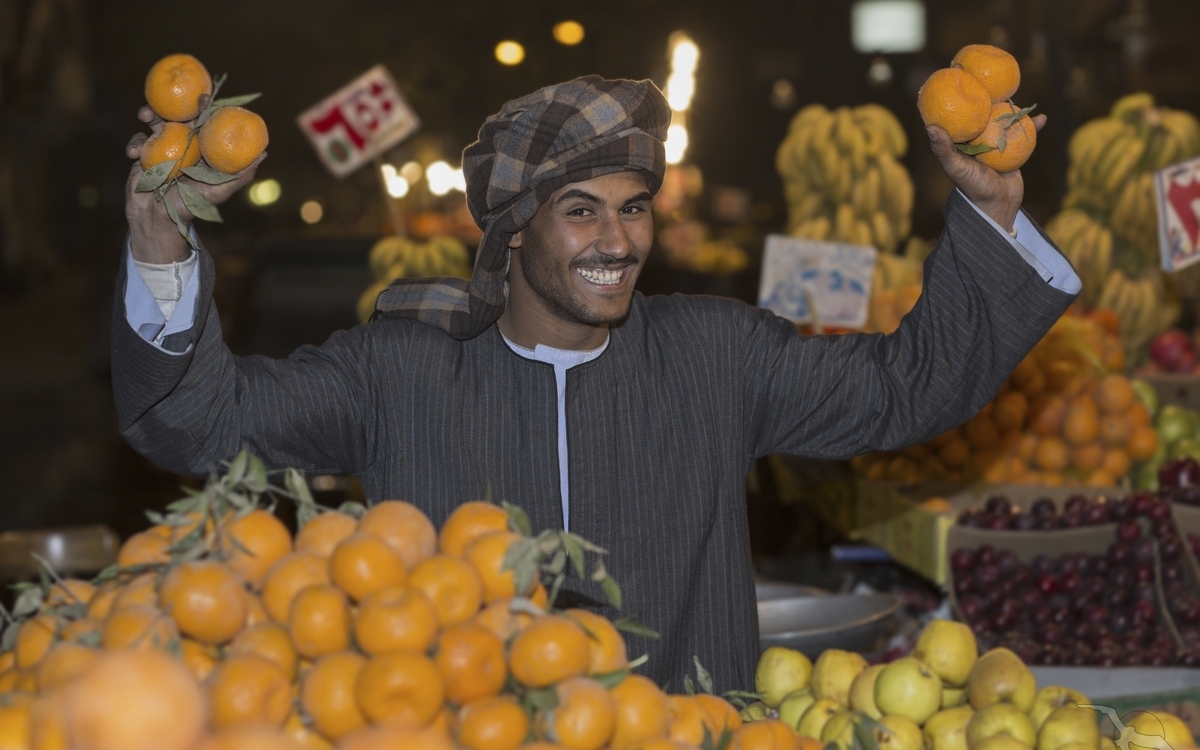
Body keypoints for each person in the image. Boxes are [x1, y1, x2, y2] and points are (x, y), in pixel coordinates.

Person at [117, 76, 1078, 690]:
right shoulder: (400, 370)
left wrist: (988, 208)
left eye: (633, 208)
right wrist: (162, 241)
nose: (617, 241)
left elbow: (912, 386)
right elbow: (194, 424)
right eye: (580, 212)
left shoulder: (715, 354)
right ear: (513, 232)